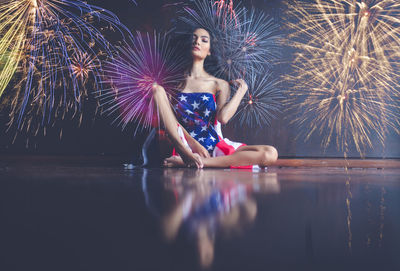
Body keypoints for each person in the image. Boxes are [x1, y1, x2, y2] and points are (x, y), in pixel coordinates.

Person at [152, 28, 278, 168]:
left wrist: (242, 90)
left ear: (209, 50)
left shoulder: (219, 84)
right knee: (156, 89)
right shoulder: (171, 84)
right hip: (185, 145)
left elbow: (223, 118)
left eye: (204, 40)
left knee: (270, 153)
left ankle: (201, 163)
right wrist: (193, 144)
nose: (197, 42)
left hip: (215, 145)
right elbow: (171, 122)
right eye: (194, 39)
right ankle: (188, 157)